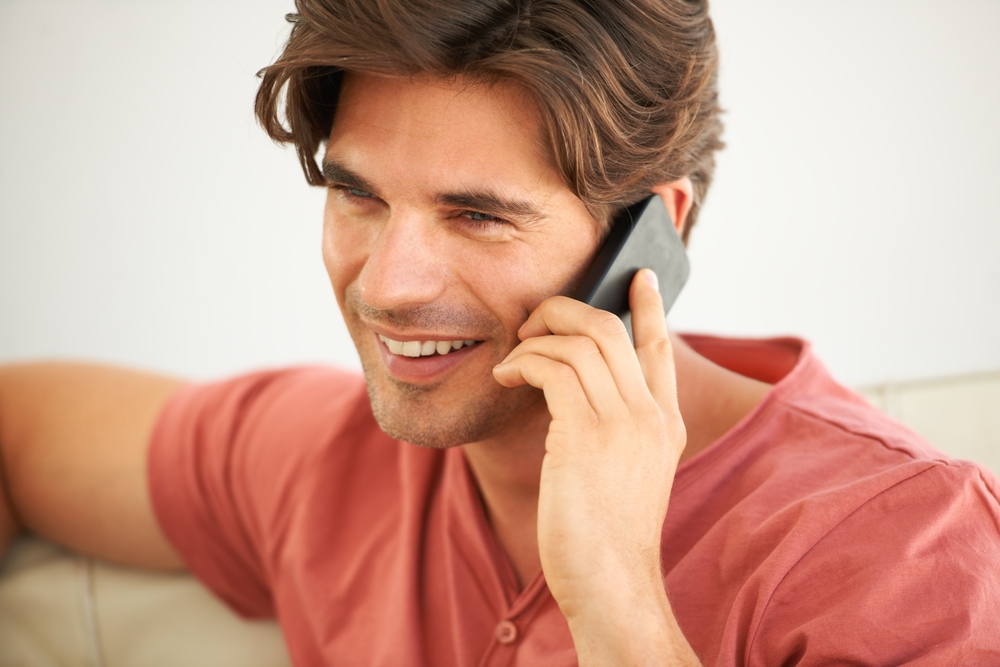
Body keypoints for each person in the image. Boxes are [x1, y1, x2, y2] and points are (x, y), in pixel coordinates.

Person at [1, 1, 998, 665]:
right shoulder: (322, 458)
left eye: (477, 214)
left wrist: (615, 596)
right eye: (356, 195)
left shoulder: (899, 548)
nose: (387, 285)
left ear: (654, 230)